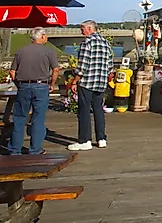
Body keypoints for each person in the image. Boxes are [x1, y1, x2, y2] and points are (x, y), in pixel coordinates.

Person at [8, 27, 60, 155]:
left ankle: (15, 149)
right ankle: (35, 149)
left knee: (20, 118)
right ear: (42, 37)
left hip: (24, 86)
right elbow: (56, 69)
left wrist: (19, 84)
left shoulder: (21, 51)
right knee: (38, 118)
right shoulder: (49, 51)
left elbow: (12, 71)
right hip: (42, 86)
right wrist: (52, 84)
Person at [68, 20, 113, 151]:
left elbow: (82, 66)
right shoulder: (106, 43)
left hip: (87, 82)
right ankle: (101, 138)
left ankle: (85, 140)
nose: (81, 32)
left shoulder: (87, 43)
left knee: (84, 111)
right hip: (100, 82)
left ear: (90, 28)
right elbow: (110, 66)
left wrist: (75, 81)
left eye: (83, 29)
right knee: (98, 110)